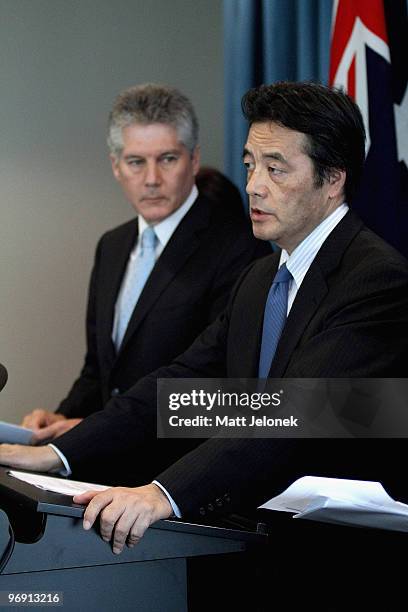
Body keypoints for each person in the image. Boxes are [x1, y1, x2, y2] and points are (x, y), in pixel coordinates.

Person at [1, 81, 407, 555]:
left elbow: (292, 416)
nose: (255, 184)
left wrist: (161, 494)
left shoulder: (376, 279)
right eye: (251, 165)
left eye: (276, 168)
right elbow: (180, 386)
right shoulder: (259, 279)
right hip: (255, 537)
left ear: (333, 178)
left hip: (345, 556)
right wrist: (54, 454)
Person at [19, 84, 270, 483]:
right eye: (136, 162)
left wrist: (87, 434)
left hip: (173, 486)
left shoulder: (240, 250)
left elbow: (220, 394)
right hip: (97, 475)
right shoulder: (112, 245)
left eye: (167, 159)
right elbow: (99, 371)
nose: (151, 179)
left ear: (193, 159)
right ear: (116, 165)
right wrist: (60, 420)